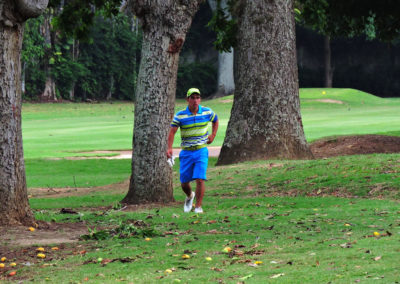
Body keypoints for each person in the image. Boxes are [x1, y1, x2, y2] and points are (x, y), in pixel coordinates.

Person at [167, 88, 219, 213]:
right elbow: (172, 132)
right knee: (184, 182)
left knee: (200, 179)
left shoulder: (207, 112)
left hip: (201, 150)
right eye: (192, 98)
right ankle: (190, 196)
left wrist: (213, 135)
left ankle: (198, 207)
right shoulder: (180, 115)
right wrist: (169, 148)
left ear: (200, 99)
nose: (195, 100)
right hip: (186, 151)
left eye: (197, 97)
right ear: (187, 99)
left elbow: (215, 120)